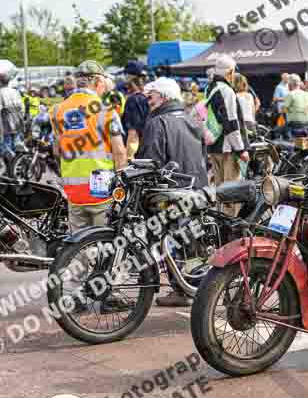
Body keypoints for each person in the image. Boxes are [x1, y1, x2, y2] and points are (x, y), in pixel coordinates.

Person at [139, 77, 208, 307]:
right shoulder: (192, 120)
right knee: (192, 240)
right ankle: (194, 285)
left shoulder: (158, 123)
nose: (148, 100)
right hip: (196, 188)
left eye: (151, 96)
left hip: (169, 193)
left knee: (168, 241)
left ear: (164, 97)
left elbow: (149, 160)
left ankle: (181, 289)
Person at [50, 60, 127, 232]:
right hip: (101, 188)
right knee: (103, 243)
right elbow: (120, 152)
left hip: (73, 190)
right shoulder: (107, 111)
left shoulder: (58, 110)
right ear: (99, 82)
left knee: (78, 246)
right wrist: (122, 184)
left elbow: (56, 151)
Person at [206, 54, 249, 217]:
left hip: (214, 146)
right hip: (228, 149)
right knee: (232, 193)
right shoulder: (226, 91)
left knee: (220, 190)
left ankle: (220, 225)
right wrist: (241, 149)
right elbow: (231, 123)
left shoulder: (210, 88)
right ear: (230, 72)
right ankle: (230, 230)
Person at [121, 60, 150, 159]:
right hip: (148, 150)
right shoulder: (150, 97)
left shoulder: (134, 100)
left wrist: (129, 159)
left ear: (130, 78)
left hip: (137, 155)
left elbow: (133, 133)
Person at [0, 71, 24, 164]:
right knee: (16, 141)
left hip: (6, 122)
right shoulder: (15, 91)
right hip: (18, 121)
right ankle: (17, 161)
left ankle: (10, 161)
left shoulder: (0, 93)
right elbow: (21, 107)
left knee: (7, 143)